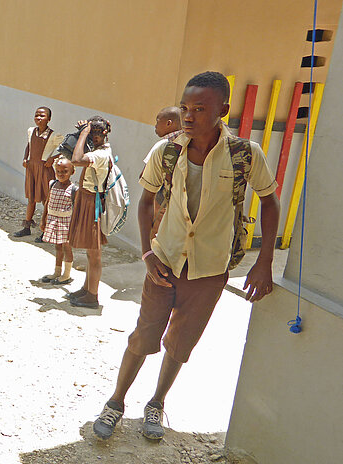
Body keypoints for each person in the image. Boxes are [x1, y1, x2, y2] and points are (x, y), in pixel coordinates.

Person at [91, 71, 279, 441]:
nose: (189, 116)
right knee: (144, 337)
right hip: (164, 261)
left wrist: (265, 260)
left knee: (180, 343)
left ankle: (157, 403)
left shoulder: (244, 154)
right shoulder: (167, 150)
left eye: (199, 108)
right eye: (185, 107)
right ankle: (115, 402)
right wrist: (147, 252)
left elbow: (270, 202)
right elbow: (146, 203)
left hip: (209, 270)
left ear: (223, 109)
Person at [68, 116, 113, 309]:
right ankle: (87, 289)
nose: (92, 137)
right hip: (86, 199)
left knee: (94, 254)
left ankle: (93, 295)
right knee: (89, 251)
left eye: (95, 133)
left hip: (92, 203)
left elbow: (76, 159)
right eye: (90, 132)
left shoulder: (101, 154)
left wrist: (84, 133)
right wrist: (81, 135)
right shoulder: (96, 150)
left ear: (104, 133)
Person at [14, 107, 63, 241]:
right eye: (37, 115)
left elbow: (65, 149)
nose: (39, 118)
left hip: (45, 170)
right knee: (31, 198)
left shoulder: (53, 136)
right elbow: (29, 146)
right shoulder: (31, 131)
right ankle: (26, 227)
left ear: (49, 119)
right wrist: (25, 158)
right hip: (31, 168)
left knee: (46, 200)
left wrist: (53, 159)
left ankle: (46, 230)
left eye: (42, 116)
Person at [146, 106, 183, 237]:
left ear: (168, 123)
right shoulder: (189, 142)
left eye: (157, 121)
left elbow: (146, 176)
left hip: (163, 199)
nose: (155, 126)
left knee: (155, 233)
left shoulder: (163, 145)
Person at [41, 156, 77, 284]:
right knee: (57, 246)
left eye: (65, 171)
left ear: (72, 172)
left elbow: (76, 209)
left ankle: (66, 274)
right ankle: (57, 271)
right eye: (58, 171)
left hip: (65, 222)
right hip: (52, 219)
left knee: (67, 247)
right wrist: (43, 219)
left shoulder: (73, 189)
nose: (61, 174)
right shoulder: (52, 184)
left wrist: (74, 227)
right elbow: (47, 202)